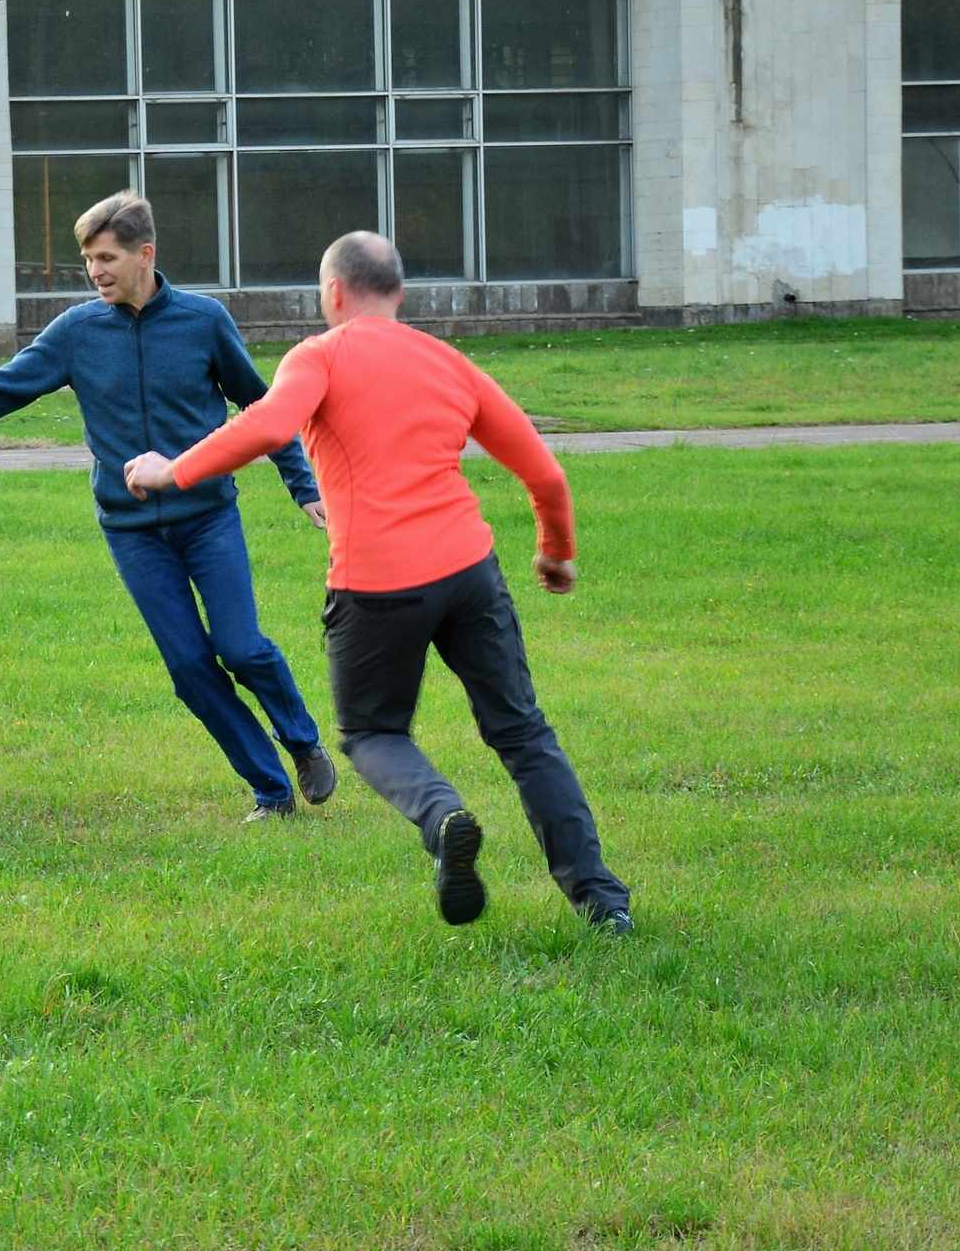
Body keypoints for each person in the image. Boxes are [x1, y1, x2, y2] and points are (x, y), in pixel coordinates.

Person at [124, 231, 633, 930]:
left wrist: (171, 469)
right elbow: (545, 473)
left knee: (371, 732)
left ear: (333, 293)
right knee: (523, 734)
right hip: (469, 572)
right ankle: (603, 904)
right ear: (398, 293)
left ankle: (443, 815)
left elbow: (270, 425)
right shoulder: (449, 362)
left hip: (376, 584)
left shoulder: (320, 356)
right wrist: (555, 551)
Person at [0, 192, 336, 821]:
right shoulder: (77, 331)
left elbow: (263, 408)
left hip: (208, 517)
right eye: (87, 260)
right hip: (131, 532)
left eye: (106, 257)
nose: (94, 271)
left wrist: (303, 485)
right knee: (189, 668)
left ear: (145, 255)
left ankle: (302, 741)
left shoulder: (204, 320)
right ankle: (271, 792)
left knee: (241, 649)